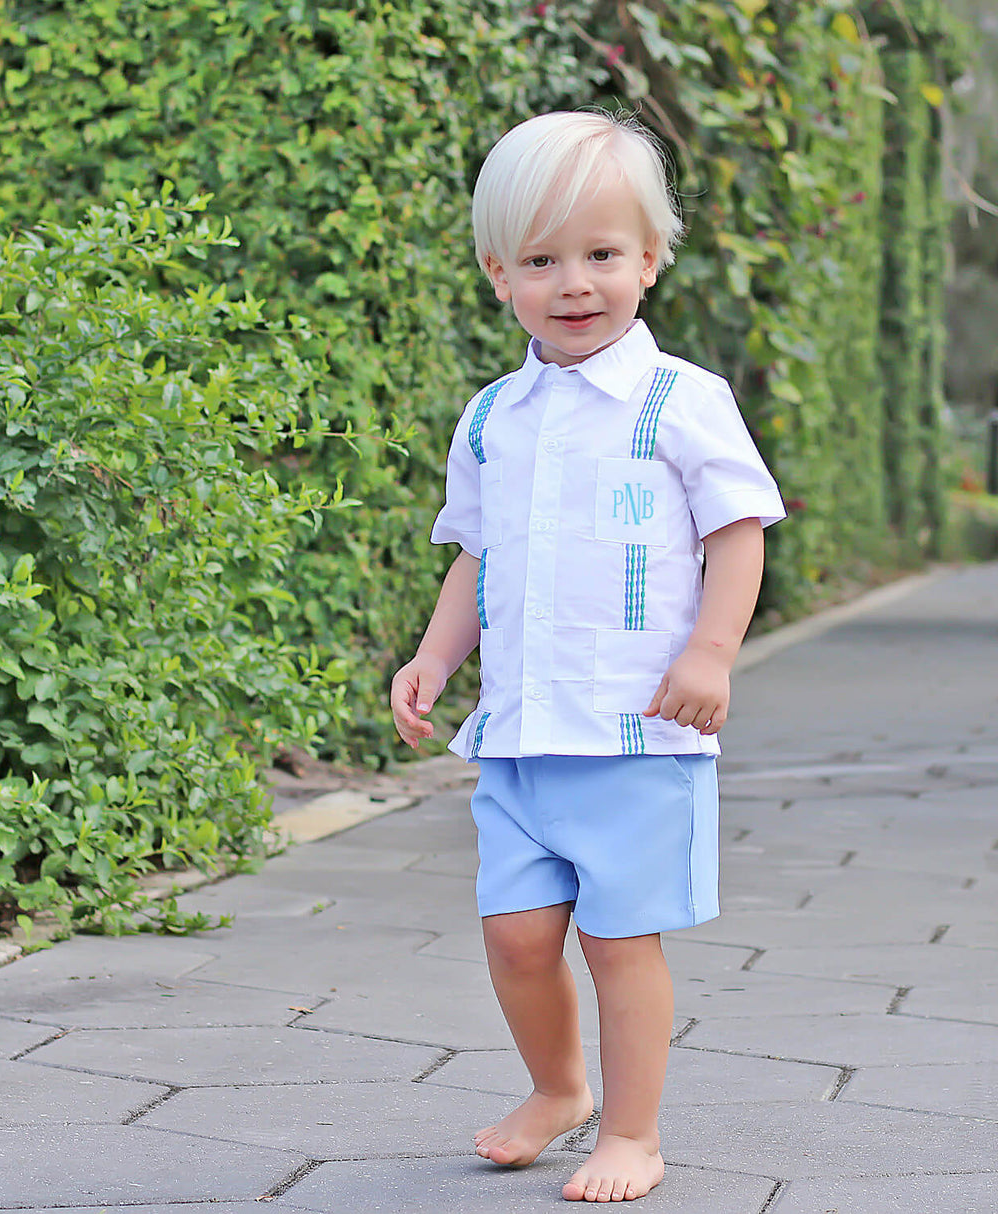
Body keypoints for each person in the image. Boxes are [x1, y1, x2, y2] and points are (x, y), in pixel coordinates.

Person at [390, 110, 785, 1203]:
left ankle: (633, 1130)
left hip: (637, 733)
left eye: (602, 254)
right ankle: (557, 1087)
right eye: (542, 260)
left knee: (619, 943)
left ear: (650, 258)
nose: (575, 282)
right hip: (519, 736)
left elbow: (735, 532)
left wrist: (711, 652)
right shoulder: (492, 417)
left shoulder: (680, 402)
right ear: (497, 272)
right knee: (516, 937)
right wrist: (431, 657)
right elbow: (477, 554)